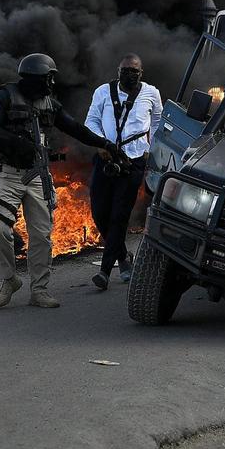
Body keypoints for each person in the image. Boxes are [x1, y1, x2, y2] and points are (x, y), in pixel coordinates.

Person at [0, 53, 123, 308]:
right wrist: (17, 142)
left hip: (38, 176)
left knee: (41, 237)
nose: (52, 83)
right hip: (8, 174)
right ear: (35, 77)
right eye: (49, 78)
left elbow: (75, 129)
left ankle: (39, 290)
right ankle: (9, 279)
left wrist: (104, 144)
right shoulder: (4, 96)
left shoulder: (50, 105)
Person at [84, 54, 162, 290]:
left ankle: (105, 272)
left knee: (119, 215)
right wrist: (100, 145)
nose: (129, 74)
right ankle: (123, 258)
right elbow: (91, 121)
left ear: (141, 73)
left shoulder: (151, 93)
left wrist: (152, 147)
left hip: (134, 161)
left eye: (134, 71)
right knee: (99, 212)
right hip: (106, 158)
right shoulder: (103, 92)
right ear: (118, 72)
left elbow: (158, 120)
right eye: (124, 70)